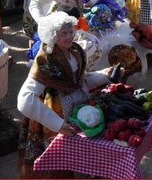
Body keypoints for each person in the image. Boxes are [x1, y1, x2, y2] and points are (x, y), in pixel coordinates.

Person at [17, 11, 124, 178]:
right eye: (63, 34)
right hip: (59, 117)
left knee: (85, 151)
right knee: (60, 161)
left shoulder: (75, 51)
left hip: (81, 112)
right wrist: (57, 124)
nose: (69, 37)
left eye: (70, 32)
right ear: (53, 36)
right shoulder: (46, 61)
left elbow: (80, 80)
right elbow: (24, 99)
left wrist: (106, 76)